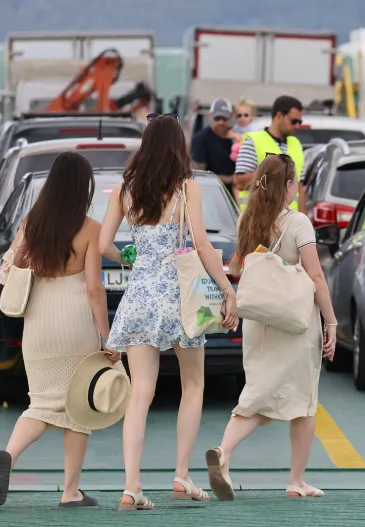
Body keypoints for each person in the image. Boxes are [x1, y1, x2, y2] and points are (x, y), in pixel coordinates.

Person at [99, 115, 239, 511]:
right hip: (180, 298)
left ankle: (131, 487)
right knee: (193, 385)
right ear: (179, 146)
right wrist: (228, 290)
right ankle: (181, 475)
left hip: (140, 295)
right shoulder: (186, 188)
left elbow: (104, 244)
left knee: (140, 393)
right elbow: (202, 245)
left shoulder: (126, 191)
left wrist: (132, 257)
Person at [0, 152, 125, 508]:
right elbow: (94, 288)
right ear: (83, 188)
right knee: (78, 409)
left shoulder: (34, 220)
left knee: (42, 403)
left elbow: (12, 263)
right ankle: (70, 491)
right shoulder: (90, 228)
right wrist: (107, 336)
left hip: (39, 323)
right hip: (75, 322)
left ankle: (9, 455)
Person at [205, 153, 336, 501]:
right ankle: (296, 481)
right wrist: (332, 322)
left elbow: (237, 268)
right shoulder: (298, 223)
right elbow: (317, 276)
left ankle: (224, 453)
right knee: (304, 401)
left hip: (259, 322)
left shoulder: (247, 219)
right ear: (289, 185)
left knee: (257, 394)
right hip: (294, 322)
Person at [233, 95, 307, 214]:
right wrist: (272, 178)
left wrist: (305, 221)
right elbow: (240, 182)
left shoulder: (296, 144)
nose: (297, 126)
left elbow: (301, 188)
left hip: (291, 224)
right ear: (279, 116)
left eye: (299, 122)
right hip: (260, 222)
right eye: (294, 121)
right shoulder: (254, 141)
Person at [190, 98, 237, 198]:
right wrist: (230, 179)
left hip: (236, 195)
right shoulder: (200, 139)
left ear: (230, 116)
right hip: (210, 196)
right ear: (210, 116)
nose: (221, 122)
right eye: (217, 118)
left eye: (224, 118)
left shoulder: (236, 136)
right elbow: (198, 175)